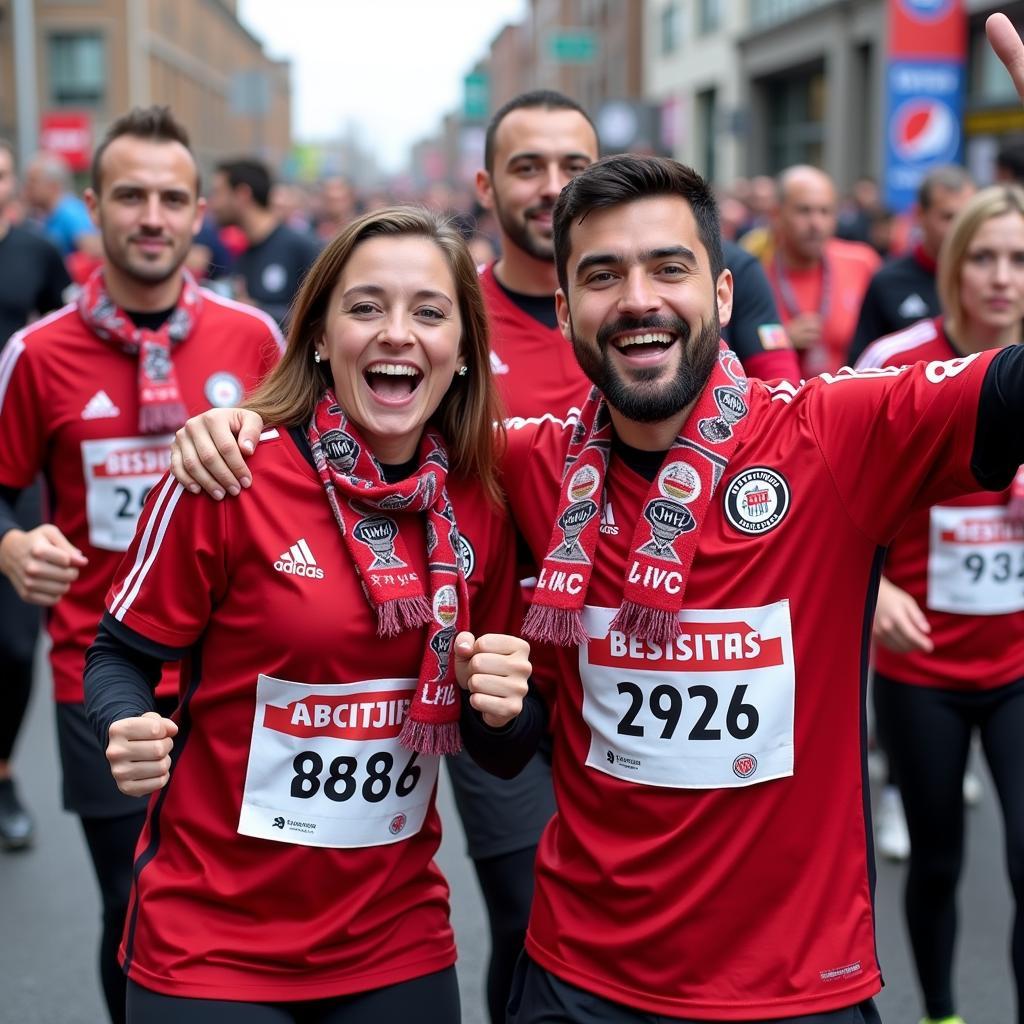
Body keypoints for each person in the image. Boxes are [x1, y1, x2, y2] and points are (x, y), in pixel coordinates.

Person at [173, 142, 1024, 1022]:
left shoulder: (832, 436)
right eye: (605, 275)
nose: (640, 300)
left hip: (795, 988)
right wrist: (248, 422)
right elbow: (365, 428)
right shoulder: (520, 465)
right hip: (580, 981)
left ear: (724, 296)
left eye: (669, 268)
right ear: (565, 305)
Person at [83, 205, 531, 1023]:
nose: (397, 333)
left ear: (464, 351)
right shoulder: (230, 473)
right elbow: (118, 653)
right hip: (212, 942)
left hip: (394, 939)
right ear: (321, 337)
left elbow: (501, 748)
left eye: (428, 312)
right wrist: (124, 722)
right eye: (366, 308)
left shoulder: (484, 499)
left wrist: (500, 710)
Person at [0, 106, 283, 1024]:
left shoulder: (254, 342)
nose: (151, 216)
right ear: (95, 208)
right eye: (130, 196)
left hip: (238, 677)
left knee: (245, 908)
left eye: (171, 197)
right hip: (101, 669)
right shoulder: (36, 355)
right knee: (134, 908)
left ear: (202, 212)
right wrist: (11, 542)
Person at [856, 184, 1024, 1024]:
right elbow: (834, 493)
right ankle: (945, 1013)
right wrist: (874, 584)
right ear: (954, 265)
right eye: (984, 257)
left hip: (1019, 662)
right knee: (937, 858)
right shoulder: (898, 357)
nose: (1002, 278)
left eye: (1020, 260)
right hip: (922, 663)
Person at [0, 137, 72, 850]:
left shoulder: (33, 251)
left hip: (12, 462)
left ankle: (2, 771)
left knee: (15, 644)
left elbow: (63, 331)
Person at [849, 165, 975, 366]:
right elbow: (859, 368)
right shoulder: (887, 281)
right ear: (920, 215)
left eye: (967, 218)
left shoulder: (986, 282)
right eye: (948, 217)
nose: (959, 228)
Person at [762, 164, 881, 376]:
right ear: (776, 214)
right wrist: (782, 339)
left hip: (851, 400)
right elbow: (737, 343)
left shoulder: (863, 263)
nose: (816, 223)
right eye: (804, 211)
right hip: (783, 401)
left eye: (825, 211)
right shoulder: (756, 271)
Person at [208, 158, 321, 326]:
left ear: (242, 195)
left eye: (218, 193)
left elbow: (321, 317)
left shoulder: (301, 247)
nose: (212, 203)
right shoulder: (242, 255)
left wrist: (256, 311)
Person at [23, 150, 100, 258]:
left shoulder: (70, 213)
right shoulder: (49, 215)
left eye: (33, 181)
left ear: (52, 185)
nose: (28, 187)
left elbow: (93, 251)